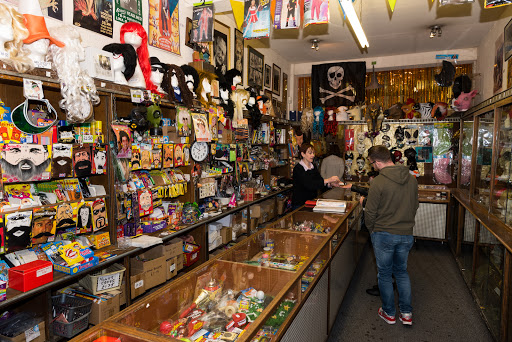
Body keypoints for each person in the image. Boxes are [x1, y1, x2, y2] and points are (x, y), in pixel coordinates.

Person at [363, 145, 418, 326]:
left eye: (372, 163)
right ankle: (407, 314)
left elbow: (370, 212)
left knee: (385, 274)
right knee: (401, 272)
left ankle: (389, 313)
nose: (373, 166)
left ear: (377, 162)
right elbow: (415, 206)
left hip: (383, 233)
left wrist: (372, 230)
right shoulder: (411, 180)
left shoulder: (378, 182)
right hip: (406, 234)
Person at [292, 142, 341, 207]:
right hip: (300, 204)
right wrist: (329, 180)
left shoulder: (313, 166)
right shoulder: (298, 169)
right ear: (303, 154)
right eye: (310, 153)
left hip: (312, 202)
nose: (313, 155)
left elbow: (319, 181)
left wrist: (330, 184)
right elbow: (310, 184)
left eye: (313, 153)